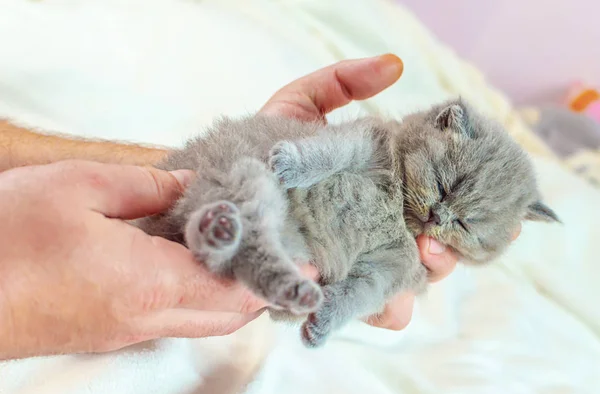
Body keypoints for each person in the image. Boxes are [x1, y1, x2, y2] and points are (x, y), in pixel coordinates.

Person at [0, 54, 516, 360]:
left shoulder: (415, 255)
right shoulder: (383, 144)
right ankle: (235, 240)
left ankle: (258, 260)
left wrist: (335, 311)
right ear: (443, 123)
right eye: (443, 190)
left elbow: (374, 284)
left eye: (465, 224)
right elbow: (342, 149)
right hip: (274, 185)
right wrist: (299, 154)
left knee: (348, 269)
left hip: (291, 238)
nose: (438, 219)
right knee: (252, 189)